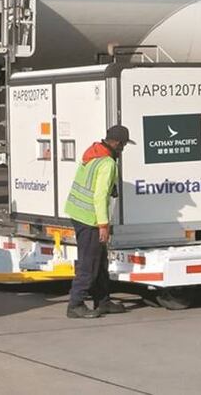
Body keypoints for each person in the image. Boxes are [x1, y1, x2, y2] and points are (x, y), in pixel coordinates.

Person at [64, 125, 135, 319]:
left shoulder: (93, 153)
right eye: (124, 146)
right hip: (90, 218)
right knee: (90, 263)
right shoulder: (107, 163)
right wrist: (103, 225)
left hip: (78, 213)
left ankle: (103, 301)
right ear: (117, 144)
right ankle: (75, 304)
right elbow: (99, 196)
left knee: (100, 261)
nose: (123, 150)